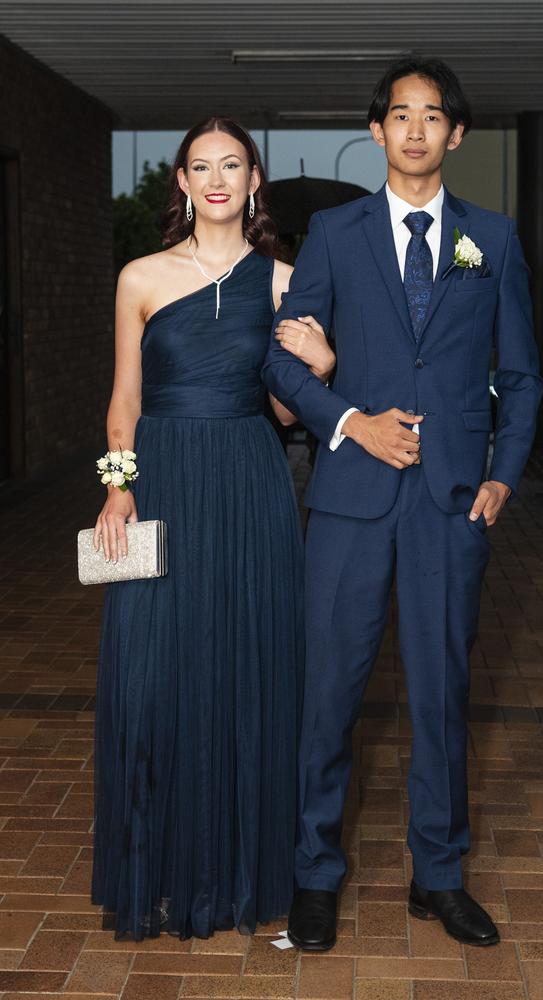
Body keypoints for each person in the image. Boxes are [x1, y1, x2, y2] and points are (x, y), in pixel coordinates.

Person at [264, 55, 542, 951]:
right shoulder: (334, 235)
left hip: (451, 505)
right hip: (349, 503)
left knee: (442, 698)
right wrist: (351, 420)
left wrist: (503, 474)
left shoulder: (491, 240)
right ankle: (313, 873)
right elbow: (280, 362)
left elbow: (523, 376)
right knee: (328, 696)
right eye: (400, 113)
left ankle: (439, 875)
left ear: (455, 135)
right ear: (377, 130)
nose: (415, 128)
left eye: (433, 115)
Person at [91, 117, 334, 940]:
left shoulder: (286, 282)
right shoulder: (140, 277)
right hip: (159, 478)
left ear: (253, 178)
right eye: (203, 165)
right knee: (152, 671)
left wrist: (319, 369)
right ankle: (157, 868)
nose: (219, 177)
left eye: (233, 163)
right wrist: (118, 486)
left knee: (245, 663)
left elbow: (281, 407)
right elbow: (124, 399)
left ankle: (236, 870)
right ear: (183, 184)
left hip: (249, 483)